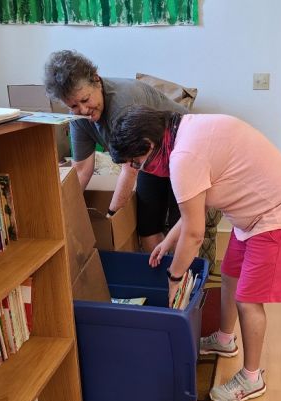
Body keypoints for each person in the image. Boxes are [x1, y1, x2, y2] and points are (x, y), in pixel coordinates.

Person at [109, 105, 281, 401]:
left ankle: (252, 377)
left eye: (137, 163)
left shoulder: (182, 158)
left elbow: (195, 234)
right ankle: (224, 339)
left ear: (149, 146)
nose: (140, 170)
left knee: (248, 298)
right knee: (229, 274)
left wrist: (174, 277)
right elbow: (195, 206)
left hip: (276, 212)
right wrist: (167, 244)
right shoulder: (184, 132)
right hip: (253, 213)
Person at [44, 50, 188, 251]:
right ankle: (157, 280)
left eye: (85, 100)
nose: (83, 110)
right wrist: (60, 213)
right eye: (74, 105)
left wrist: (111, 215)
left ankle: (182, 278)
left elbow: (130, 168)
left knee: (180, 226)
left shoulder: (123, 104)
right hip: (149, 160)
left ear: (96, 80)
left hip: (182, 151)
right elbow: (81, 169)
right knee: (147, 227)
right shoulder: (79, 120)